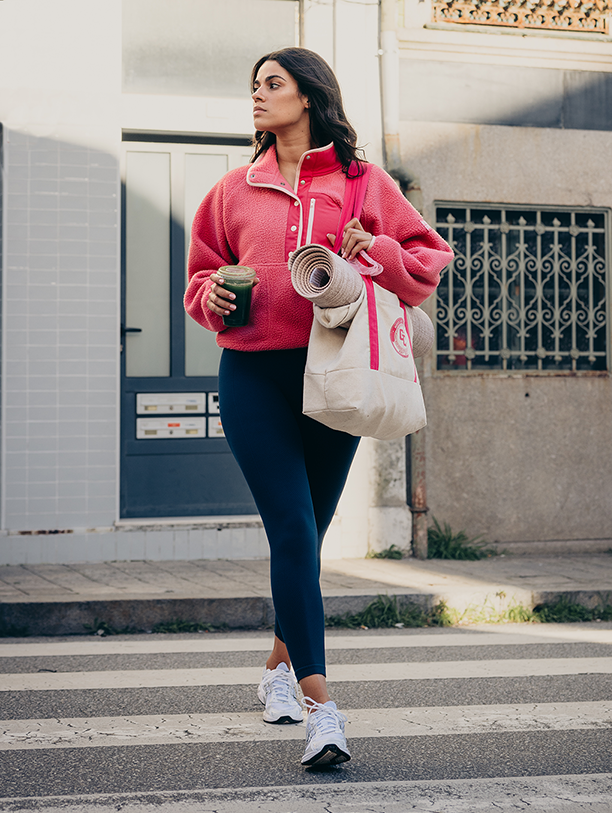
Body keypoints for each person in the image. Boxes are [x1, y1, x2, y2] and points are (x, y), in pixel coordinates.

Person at [184, 47, 453, 767]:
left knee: (307, 535)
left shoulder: (363, 182)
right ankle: (323, 710)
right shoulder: (232, 189)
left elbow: (428, 261)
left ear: (308, 96)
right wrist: (208, 297)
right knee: (295, 533)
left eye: (272, 83)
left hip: (335, 379)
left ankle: (275, 668)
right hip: (252, 378)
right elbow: (202, 274)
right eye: (254, 86)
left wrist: (380, 247)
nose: (258, 95)